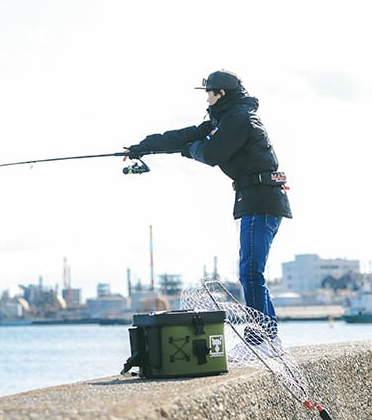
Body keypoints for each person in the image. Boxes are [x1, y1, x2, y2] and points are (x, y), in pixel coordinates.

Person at [125, 69, 292, 340]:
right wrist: (144, 146)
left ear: (221, 93)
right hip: (256, 198)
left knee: (250, 270)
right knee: (251, 270)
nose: (206, 100)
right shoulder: (225, 118)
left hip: (261, 199)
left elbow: (213, 153)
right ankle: (267, 330)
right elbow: (185, 135)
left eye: (209, 94)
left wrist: (188, 149)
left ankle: (264, 334)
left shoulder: (238, 119)